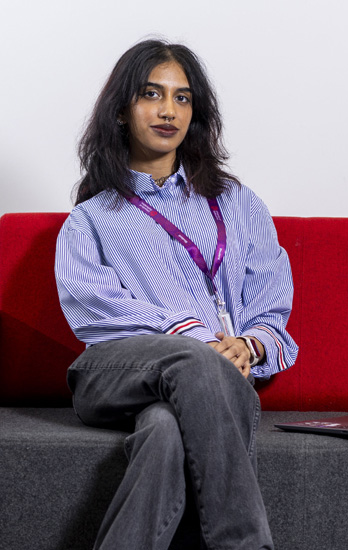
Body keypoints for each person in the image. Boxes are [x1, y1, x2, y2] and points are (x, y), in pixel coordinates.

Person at [55, 38, 298, 550]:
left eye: (182, 98)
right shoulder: (91, 219)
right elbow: (95, 310)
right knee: (194, 362)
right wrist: (194, 339)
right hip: (112, 375)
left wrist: (249, 345)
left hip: (205, 386)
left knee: (165, 431)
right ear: (122, 111)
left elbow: (272, 306)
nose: (169, 111)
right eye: (151, 94)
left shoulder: (238, 204)